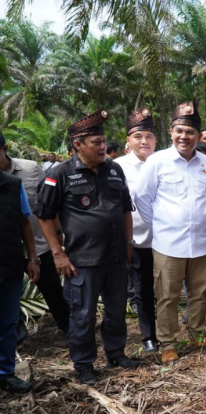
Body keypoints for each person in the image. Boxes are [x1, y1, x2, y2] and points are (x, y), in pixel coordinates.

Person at [37, 109, 139, 384]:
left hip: (117, 256)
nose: (103, 146)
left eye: (104, 140)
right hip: (83, 260)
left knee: (117, 309)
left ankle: (116, 353)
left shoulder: (115, 169)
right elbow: (44, 216)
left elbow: (126, 210)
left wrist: (129, 241)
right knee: (82, 315)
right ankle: (84, 365)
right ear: (78, 145)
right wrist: (58, 254)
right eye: (97, 142)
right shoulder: (60, 175)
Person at [135, 101, 206, 364]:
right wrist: (163, 226)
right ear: (171, 132)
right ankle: (168, 342)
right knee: (168, 296)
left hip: (203, 243)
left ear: (197, 135)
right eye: (179, 131)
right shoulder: (157, 161)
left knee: (199, 293)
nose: (184, 136)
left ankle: (196, 333)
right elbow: (142, 199)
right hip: (169, 244)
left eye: (190, 132)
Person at [1, 133, 71, 339]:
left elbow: (50, 204)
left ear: (5, 149)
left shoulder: (31, 169)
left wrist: (58, 233)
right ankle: (17, 330)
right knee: (9, 294)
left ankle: (67, 325)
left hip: (39, 244)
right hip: (7, 250)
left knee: (52, 289)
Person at [115, 107, 158, 354]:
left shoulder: (163, 162)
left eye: (149, 137)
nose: (144, 142)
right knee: (140, 289)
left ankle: (165, 331)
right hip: (136, 240)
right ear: (128, 141)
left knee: (165, 288)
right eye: (138, 136)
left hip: (165, 239)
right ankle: (148, 335)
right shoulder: (117, 167)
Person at [0, 165, 39, 393]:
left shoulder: (13, 185)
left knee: (7, 324)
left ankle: (4, 373)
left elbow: (26, 223)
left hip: (9, 263)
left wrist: (33, 258)